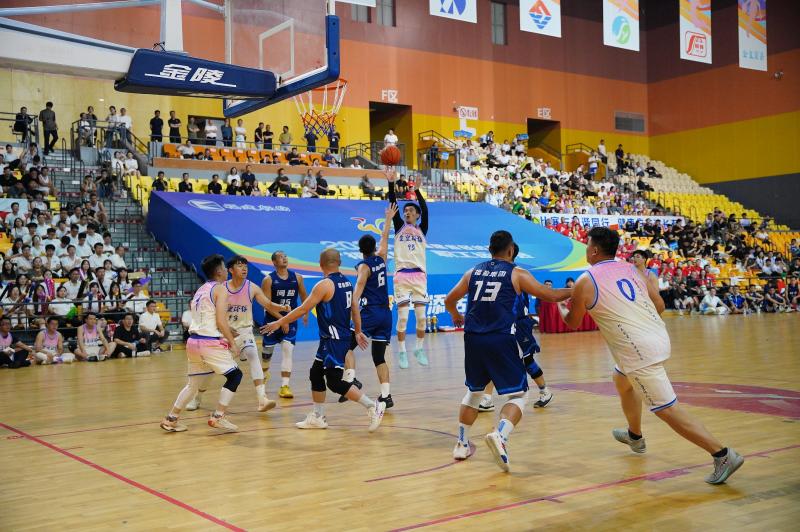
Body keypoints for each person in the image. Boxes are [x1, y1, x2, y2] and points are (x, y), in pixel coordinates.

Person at [557, 227, 744, 484]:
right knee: (621, 380)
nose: (586, 249)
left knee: (667, 410)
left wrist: (560, 307)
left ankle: (722, 455)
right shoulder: (631, 269)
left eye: (587, 245)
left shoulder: (585, 281)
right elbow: (659, 305)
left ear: (595, 250)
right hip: (658, 337)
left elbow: (573, 322)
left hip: (638, 351)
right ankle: (635, 435)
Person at [444, 230, 572, 470]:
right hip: (501, 338)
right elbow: (551, 295)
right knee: (519, 395)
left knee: (473, 393)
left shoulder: (472, 272)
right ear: (511, 250)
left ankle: (461, 444)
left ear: (489, 249)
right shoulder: (517, 273)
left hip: (472, 339)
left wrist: (456, 315)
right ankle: (500, 435)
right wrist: (578, 290)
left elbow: (449, 300)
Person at [261, 249, 385, 431]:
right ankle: (318, 417)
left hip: (334, 340)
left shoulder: (324, 285)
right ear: (339, 262)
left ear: (320, 264)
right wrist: (357, 331)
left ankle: (373, 406)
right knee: (316, 374)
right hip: (334, 339)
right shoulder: (346, 282)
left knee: (334, 382)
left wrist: (279, 322)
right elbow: (355, 308)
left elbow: (302, 309)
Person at [187, 256, 289, 413]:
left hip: (245, 331)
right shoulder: (221, 288)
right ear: (230, 270)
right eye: (240, 265)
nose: (244, 268)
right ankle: (197, 397)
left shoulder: (252, 287)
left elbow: (267, 304)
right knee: (209, 371)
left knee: (253, 355)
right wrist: (226, 330)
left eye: (245, 266)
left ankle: (262, 399)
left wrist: (282, 308)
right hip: (224, 333)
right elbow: (214, 315)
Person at [160, 254, 242, 433]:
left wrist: (228, 330)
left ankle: (171, 419)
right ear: (219, 271)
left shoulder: (201, 289)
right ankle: (218, 416)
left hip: (193, 342)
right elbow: (220, 320)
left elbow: (208, 318)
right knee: (235, 375)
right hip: (208, 342)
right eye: (224, 268)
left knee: (192, 385)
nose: (227, 271)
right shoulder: (220, 289)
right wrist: (232, 342)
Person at [478, 244, 554, 412]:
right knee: (494, 359)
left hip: (519, 324)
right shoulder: (496, 273)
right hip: (502, 325)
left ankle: (545, 391)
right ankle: (487, 398)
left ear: (509, 253)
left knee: (528, 361)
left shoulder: (518, 274)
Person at [339, 204, 397, 407]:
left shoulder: (364, 267)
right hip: (386, 314)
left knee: (345, 346)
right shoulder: (381, 258)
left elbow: (355, 297)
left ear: (360, 251)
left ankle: (351, 379)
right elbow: (385, 237)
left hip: (370, 313)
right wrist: (388, 218)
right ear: (373, 248)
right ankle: (386, 395)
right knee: (379, 357)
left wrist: (348, 316)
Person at [387, 169, 429, 368]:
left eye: (411, 210)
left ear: (417, 215)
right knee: (403, 318)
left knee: (422, 319)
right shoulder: (399, 227)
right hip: (402, 276)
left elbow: (425, 210)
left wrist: (417, 191)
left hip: (419, 276)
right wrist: (391, 183)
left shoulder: (422, 228)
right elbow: (393, 203)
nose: (407, 212)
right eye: (405, 211)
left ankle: (419, 349)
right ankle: (402, 351)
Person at [261, 251, 309, 399]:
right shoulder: (268, 280)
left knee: (288, 350)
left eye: (286, 256)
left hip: (290, 320)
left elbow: (304, 296)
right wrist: (282, 320)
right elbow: (267, 305)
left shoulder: (297, 278)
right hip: (271, 321)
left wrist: (305, 313)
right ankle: (264, 374)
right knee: (266, 354)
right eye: (281, 257)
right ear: (274, 262)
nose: (285, 258)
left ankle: (285, 386)